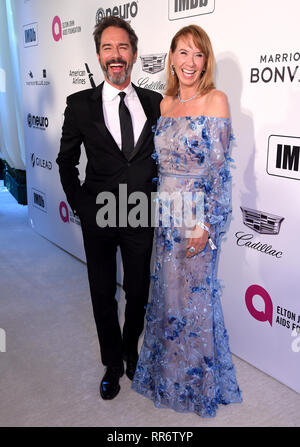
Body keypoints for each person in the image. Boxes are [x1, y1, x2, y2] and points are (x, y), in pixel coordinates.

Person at [132, 24, 242, 417]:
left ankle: (197, 386)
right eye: (182, 52)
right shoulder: (165, 105)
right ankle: (166, 377)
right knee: (167, 298)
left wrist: (208, 224)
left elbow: (220, 172)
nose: (189, 62)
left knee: (197, 303)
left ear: (206, 61)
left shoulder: (216, 100)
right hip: (165, 215)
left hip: (197, 217)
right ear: (172, 58)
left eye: (198, 54)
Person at [56, 16, 162, 400]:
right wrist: (83, 207)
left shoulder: (155, 102)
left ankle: (131, 354)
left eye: (122, 47)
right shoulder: (79, 106)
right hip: (98, 214)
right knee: (103, 293)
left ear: (133, 54)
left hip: (139, 214)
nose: (115, 56)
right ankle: (112, 364)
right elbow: (65, 162)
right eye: (107, 48)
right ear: (99, 55)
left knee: (138, 291)